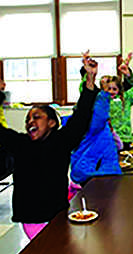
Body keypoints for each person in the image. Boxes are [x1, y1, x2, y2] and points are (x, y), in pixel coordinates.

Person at [0, 56, 99, 240]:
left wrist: (90, 80)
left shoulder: (61, 142)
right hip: (32, 219)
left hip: (58, 215)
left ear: (52, 122)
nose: (30, 121)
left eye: (36, 117)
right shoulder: (21, 144)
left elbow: (82, 117)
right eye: (28, 119)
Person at [70, 53, 122, 187]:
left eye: (113, 89)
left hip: (104, 171)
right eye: (107, 88)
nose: (110, 91)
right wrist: (89, 76)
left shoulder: (103, 103)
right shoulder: (96, 101)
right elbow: (86, 93)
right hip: (91, 171)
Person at [108, 53, 133, 150]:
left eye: (114, 89)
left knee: (125, 163)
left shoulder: (126, 98)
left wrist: (128, 75)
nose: (111, 91)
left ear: (119, 89)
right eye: (109, 89)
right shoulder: (103, 101)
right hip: (109, 138)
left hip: (125, 138)